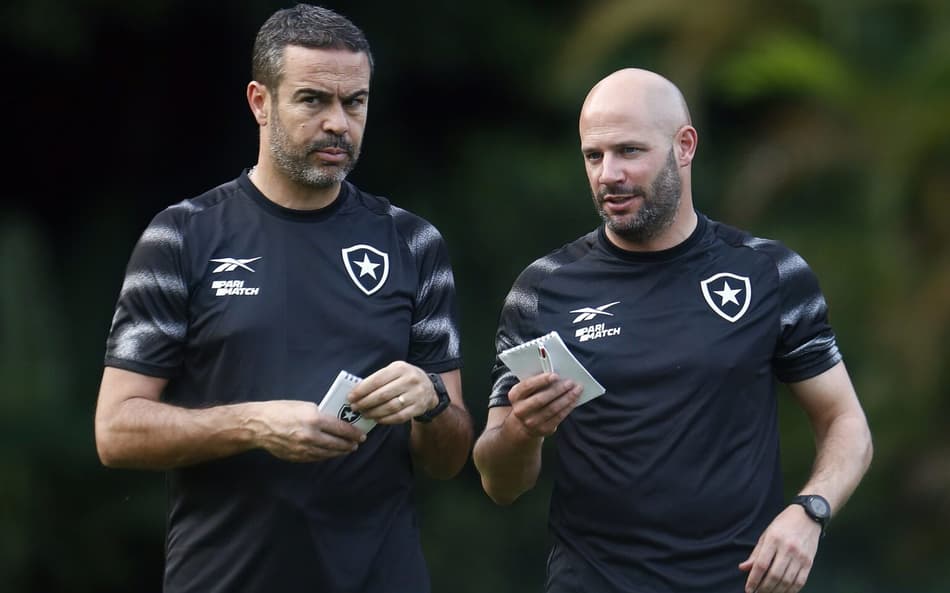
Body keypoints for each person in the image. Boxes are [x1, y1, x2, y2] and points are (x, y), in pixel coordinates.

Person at [94, 5, 472, 593]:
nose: (339, 124)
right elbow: (116, 431)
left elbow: (448, 457)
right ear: (259, 102)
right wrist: (252, 424)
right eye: (313, 100)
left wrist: (430, 404)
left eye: (355, 102)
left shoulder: (413, 243)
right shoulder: (182, 236)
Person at [472, 68, 873, 593]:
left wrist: (808, 511)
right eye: (594, 156)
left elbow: (846, 423)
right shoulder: (544, 288)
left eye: (629, 151)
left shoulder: (769, 273)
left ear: (684, 147)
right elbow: (499, 481)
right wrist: (524, 430)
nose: (607, 174)